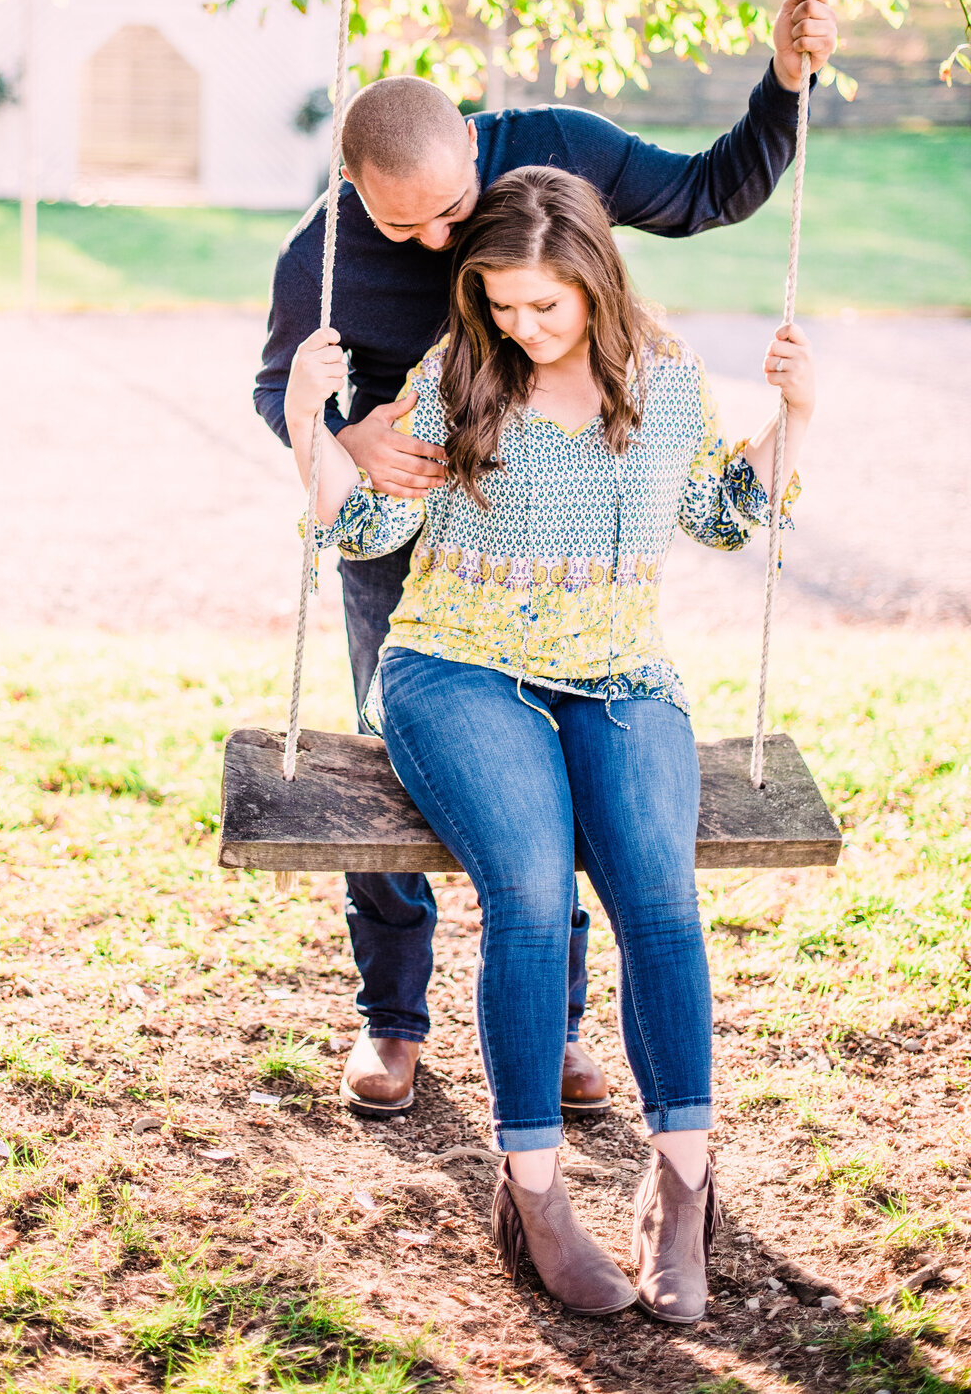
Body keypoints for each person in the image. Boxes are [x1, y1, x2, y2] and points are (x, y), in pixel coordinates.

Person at [254, 0, 837, 1119]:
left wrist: (786, 79)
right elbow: (280, 385)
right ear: (353, 192)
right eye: (402, 225)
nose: (436, 241)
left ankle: (562, 1025)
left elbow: (714, 189)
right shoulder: (320, 251)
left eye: (449, 212)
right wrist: (343, 431)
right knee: (396, 756)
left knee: (554, 781)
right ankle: (392, 1012)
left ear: (475, 149)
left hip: (569, 528)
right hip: (412, 529)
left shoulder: (553, 166)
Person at [283, 166, 815, 1323]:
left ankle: (681, 1189)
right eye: (504, 304)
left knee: (661, 902)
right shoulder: (460, 376)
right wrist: (305, 423)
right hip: (456, 670)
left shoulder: (664, 384)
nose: (521, 327)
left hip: (619, 673)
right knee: (527, 889)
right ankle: (535, 1197)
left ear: (594, 286)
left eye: (545, 307)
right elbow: (367, 523)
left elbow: (727, 514)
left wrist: (796, 417)